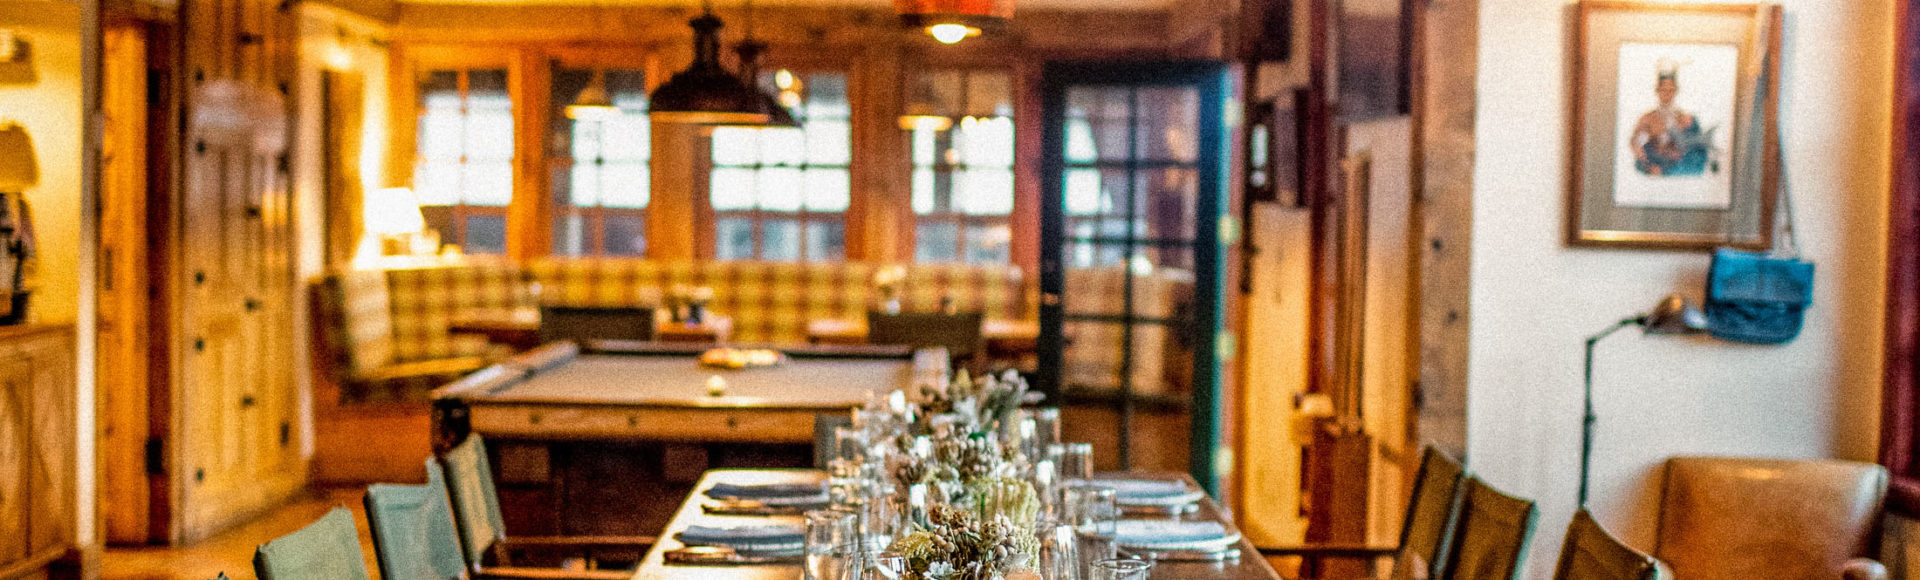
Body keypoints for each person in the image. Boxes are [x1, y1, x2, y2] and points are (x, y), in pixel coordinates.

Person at [1629, 58, 1718, 177]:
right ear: (1657, 90)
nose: (1667, 94)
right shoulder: (1648, 118)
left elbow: (1698, 148)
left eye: (1671, 90)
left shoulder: (1687, 119)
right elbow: (1636, 143)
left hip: (1681, 165)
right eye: (1663, 90)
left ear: (1676, 91)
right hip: (1658, 164)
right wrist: (1646, 163)